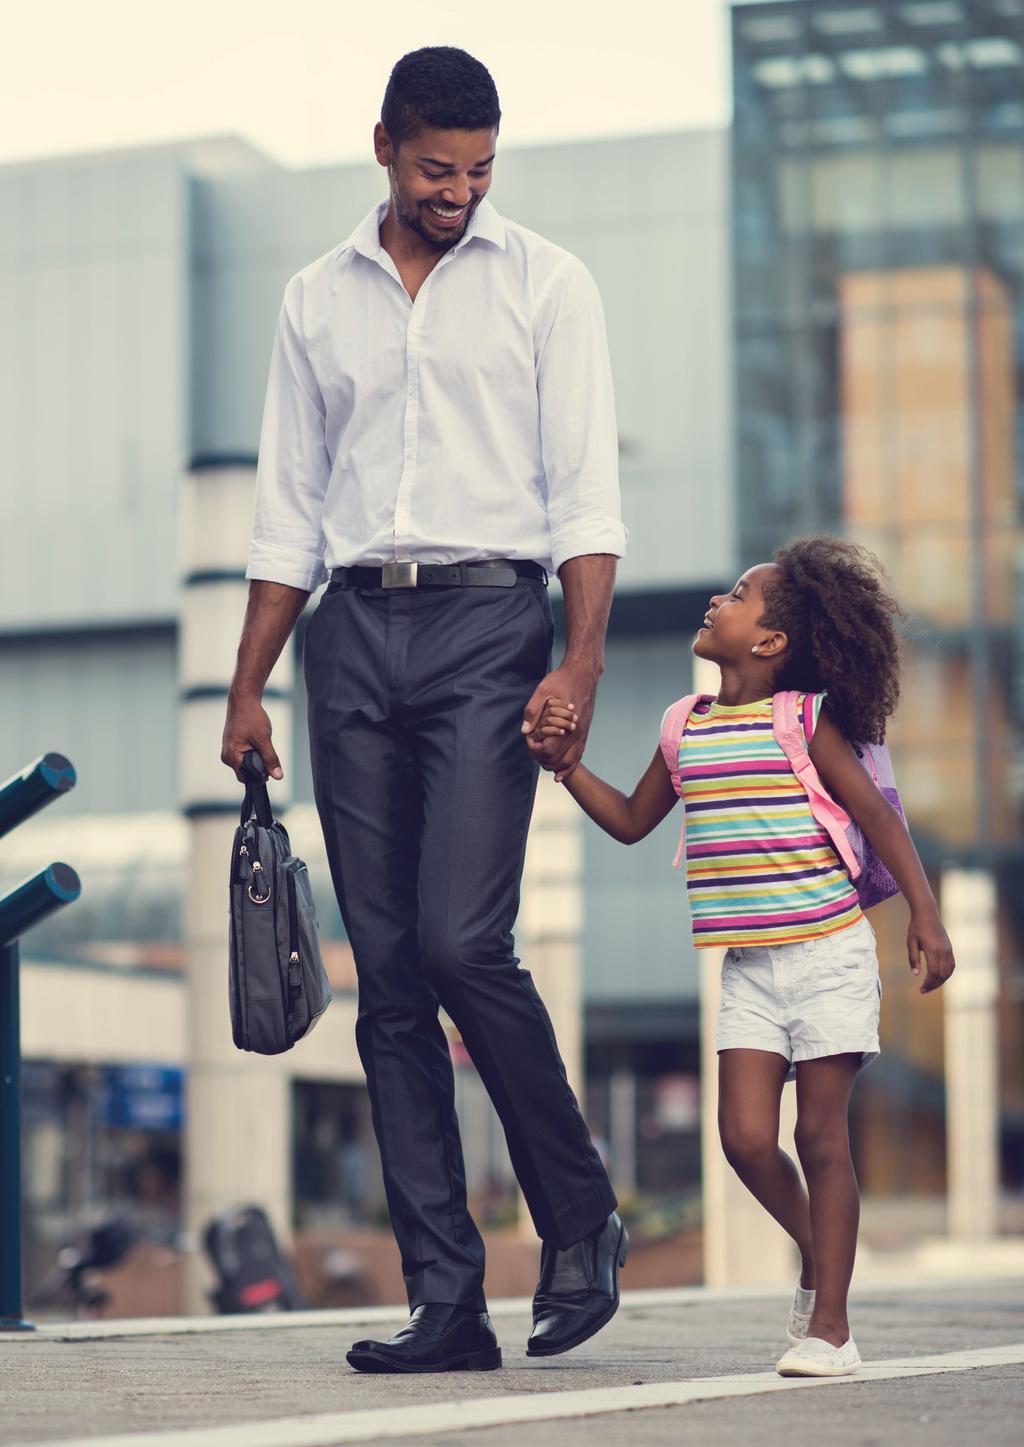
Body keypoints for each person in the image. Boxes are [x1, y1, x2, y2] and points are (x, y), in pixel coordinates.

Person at [220, 46, 628, 1374]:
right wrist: (246, 683)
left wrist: (578, 663)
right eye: (436, 170)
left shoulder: (548, 284)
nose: (458, 193)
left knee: (462, 939)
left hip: (486, 626)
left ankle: (578, 1217)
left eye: (479, 172)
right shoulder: (311, 299)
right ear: (385, 146)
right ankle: (447, 1299)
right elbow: (287, 508)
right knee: (388, 981)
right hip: (348, 635)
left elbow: (585, 500)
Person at [529, 536, 956, 1378]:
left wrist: (925, 914)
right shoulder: (684, 726)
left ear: (770, 643)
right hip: (749, 967)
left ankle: (830, 1328)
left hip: (829, 949)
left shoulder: (805, 721)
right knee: (745, 1140)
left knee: (820, 1136)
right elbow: (628, 819)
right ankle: (817, 1252)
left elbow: (877, 817)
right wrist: (566, 767)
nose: (718, 602)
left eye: (738, 596)